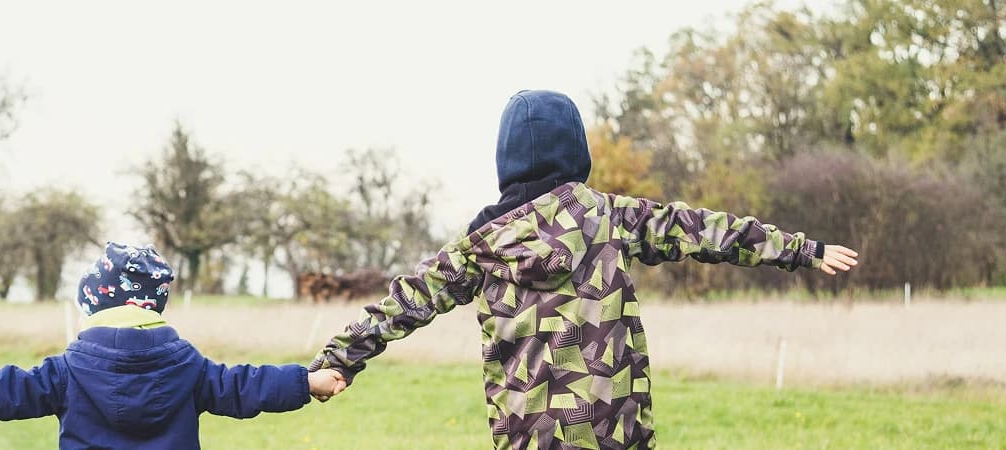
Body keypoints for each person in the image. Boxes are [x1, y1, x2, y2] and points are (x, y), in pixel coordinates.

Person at [308, 90, 860, 450]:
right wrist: (802, 249)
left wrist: (338, 361)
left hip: (527, 439)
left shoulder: (479, 246)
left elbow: (402, 303)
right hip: (614, 435)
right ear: (576, 151)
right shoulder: (610, 218)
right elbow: (699, 229)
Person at [0, 242, 346, 449]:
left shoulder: (66, 371)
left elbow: (6, 389)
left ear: (93, 305)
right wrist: (306, 383)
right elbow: (244, 386)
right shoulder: (190, 368)